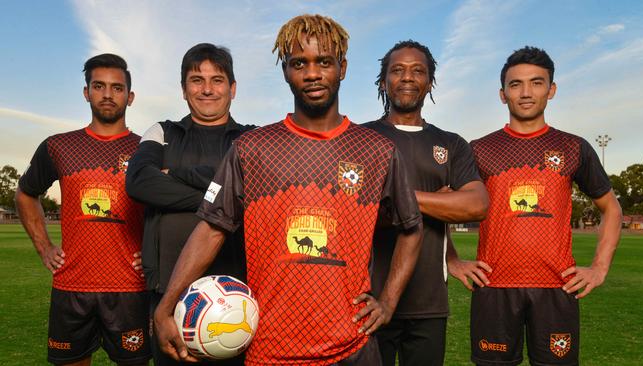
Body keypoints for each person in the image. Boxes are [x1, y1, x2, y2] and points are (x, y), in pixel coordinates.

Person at [153, 14, 424, 365]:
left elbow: (411, 227)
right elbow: (211, 228)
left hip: (353, 348)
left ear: (341, 68)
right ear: (285, 71)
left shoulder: (376, 150)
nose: (312, 74)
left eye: (323, 62)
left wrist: (387, 302)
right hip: (270, 348)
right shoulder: (252, 148)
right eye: (299, 63)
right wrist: (164, 308)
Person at [470, 46, 622, 366]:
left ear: (551, 90)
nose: (526, 92)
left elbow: (612, 208)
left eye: (537, 83)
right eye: (516, 84)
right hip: (494, 287)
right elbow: (442, 206)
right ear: (502, 94)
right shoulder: (479, 150)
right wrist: (454, 261)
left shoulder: (573, 147)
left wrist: (599, 269)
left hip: (557, 287)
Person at [15, 54, 150, 366]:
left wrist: (155, 253)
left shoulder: (147, 151)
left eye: (117, 88)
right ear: (86, 92)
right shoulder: (59, 146)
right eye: (98, 85)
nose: (107, 94)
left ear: (129, 97)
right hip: (72, 286)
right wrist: (44, 247)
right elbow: (26, 194)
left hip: (130, 287)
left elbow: (168, 208)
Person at [364, 40, 490, 366]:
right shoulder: (359, 139)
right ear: (383, 81)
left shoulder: (451, 144)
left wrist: (401, 197)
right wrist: (441, 201)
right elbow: (357, 210)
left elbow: (476, 205)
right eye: (398, 70)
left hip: (429, 301)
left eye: (418, 70)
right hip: (365, 298)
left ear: (430, 82)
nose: (408, 77)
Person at [126, 43, 253, 366]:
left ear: (233, 88)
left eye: (218, 79)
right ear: (184, 89)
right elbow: (140, 181)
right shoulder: (163, 132)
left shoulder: (252, 139)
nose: (207, 89)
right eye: (197, 80)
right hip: (168, 296)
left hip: (236, 297)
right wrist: (222, 199)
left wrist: (179, 175)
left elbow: (254, 193)